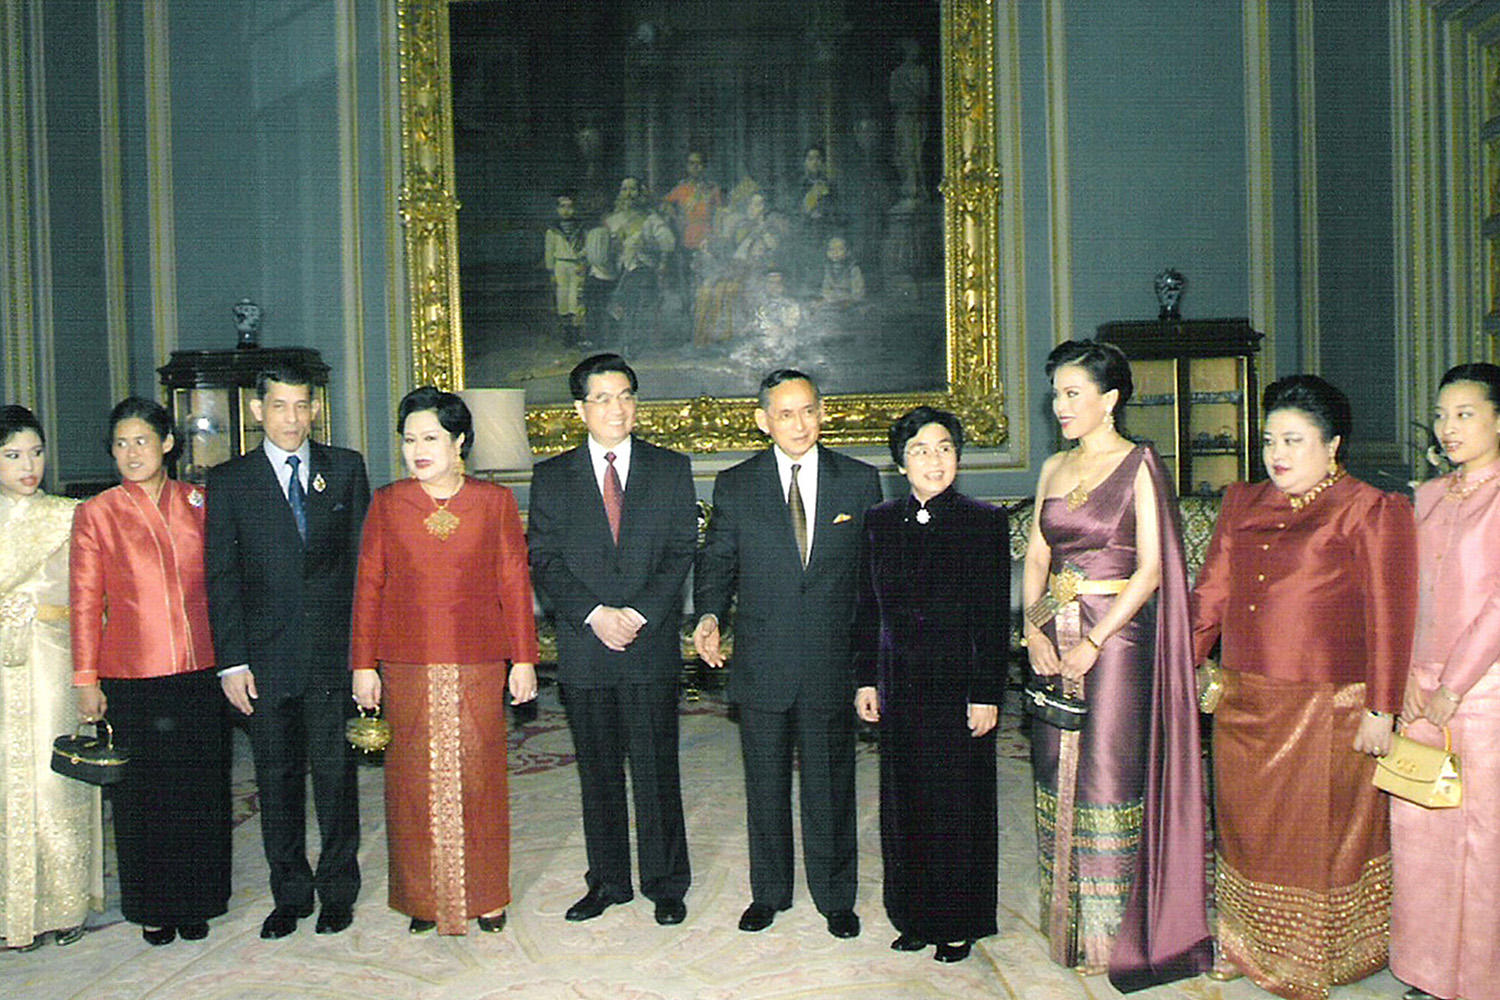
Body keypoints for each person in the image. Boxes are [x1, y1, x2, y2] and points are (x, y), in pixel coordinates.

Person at [1191, 374, 1416, 1000]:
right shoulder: (1242, 501)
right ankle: (1242, 944)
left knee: (1312, 837)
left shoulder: (1371, 508)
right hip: (1243, 697)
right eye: (1269, 440)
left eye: (1293, 440)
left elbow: (1391, 616)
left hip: (1326, 706)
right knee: (1245, 829)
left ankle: (1312, 957)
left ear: (1333, 444)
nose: (1276, 454)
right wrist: (1182, 666)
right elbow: (1210, 594)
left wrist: (1383, 707)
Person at [1023, 339, 1211, 989]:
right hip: (1054, 632)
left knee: (1107, 770)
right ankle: (1067, 922)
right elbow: (1038, 557)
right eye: (1057, 394)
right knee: (1053, 767)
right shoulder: (1050, 468)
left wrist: (1097, 640)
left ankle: (1113, 933)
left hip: (1119, 640)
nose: (1061, 405)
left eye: (1073, 394)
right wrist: (1030, 626)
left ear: (1110, 400)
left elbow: (1155, 568)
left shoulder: (1139, 464)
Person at [694, 368, 882, 940]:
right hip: (762, 660)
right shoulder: (735, 483)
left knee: (831, 785)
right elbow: (718, 560)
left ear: (822, 414)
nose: (799, 424)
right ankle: (768, 893)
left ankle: (835, 896)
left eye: (808, 411)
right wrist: (707, 615)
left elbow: (872, 582)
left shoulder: (860, 481)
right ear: (763, 421)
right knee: (766, 784)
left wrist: (871, 664)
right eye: (785, 413)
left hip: (830, 659)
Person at [351, 387, 538, 935]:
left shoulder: (493, 502)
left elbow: (513, 583)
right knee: (410, 784)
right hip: (405, 663)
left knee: (480, 779)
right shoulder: (387, 503)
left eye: (431, 437)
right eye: (410, 440)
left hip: (478, 662)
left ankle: (486, 896)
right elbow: (369, 587)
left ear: (459, 441)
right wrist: (364, 664)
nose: (418, 450)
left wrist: (522, 659)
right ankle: (423, 898)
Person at [528, 354, 698, 926]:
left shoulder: (670, 469)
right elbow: (544, 560)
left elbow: (680, 552)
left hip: (648, 645)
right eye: (602, 398)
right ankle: (607, 881)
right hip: (586, 646)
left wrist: (640, 613)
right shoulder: (552, 476)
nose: (616, 408)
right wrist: (596, 613)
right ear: (580, 409)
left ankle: (666, 883)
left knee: (656, 769)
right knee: (597, 772)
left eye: (625, 395)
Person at [204, 363, 370, 939]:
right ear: (258, 411)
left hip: (331, 656)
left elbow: (362, 571)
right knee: (275, 781)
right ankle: (290, 895)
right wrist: (231, 662)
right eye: (279, 406)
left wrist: (363, 657)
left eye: (302, 406)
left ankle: (338, 892)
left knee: (335, 778)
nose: (292, 418)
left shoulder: (344, 470)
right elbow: (221, 579)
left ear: (315, 409)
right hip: (264, 660)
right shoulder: (228, 481)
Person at [71, 397, 231, 946]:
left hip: (199, 670)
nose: (130, 453)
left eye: (141, 440)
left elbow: (226, 586)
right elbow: (86, 601)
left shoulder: (202, 503)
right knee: (143, 798)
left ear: (167, 443)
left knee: (199, 790)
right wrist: (85, 678)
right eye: (120, 444)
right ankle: (151, 905)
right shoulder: (97, 513)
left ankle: (200, 900)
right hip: (131, 674)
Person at [852, 407, 1005, 964]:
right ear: (900, 462)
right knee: (904, 802)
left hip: (958, 688)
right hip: (899, 684)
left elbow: (992, 619)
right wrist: (865, 679)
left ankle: (957, 922)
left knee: (955, 805)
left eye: (944, 448)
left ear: (958, 458)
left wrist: (987, 692)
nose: (934, 460)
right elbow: (867, 610)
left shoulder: (983, 521)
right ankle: (912, 915)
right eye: (920, 450)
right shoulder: (879, 521)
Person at [1390, 362, 1500, 1000]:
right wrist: (1406, 676)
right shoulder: (1426, 496)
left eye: (1464, 414)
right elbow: (1409, 594)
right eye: (1441, 415)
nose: (1448, 427)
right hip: (1420, 690)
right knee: (1420, 833)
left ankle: (1480, 981)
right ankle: (1428, 977)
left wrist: (1452, 687)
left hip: (1481, 692)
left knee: (1482, 842)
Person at [0, 406, 102, 951]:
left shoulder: (69, 515)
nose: (28, 466)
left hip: (51, 659)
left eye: (35, 453)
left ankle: (63, 905)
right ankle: (9, 909)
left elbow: (89, 599)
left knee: (51, 775)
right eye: (13, 455)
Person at [544, 193, 589, 348]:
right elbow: (549, 251)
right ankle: (566, 333)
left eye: (570, 207)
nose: (566, 211)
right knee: (562, 297)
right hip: (561, 265)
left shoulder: (581, 227)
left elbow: (587, 245)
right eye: (562, 207)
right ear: (557, 209)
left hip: (576, 264)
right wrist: (550, 271)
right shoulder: (553, 230)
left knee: (575, 298)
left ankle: (577, 333)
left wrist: (582, 257)